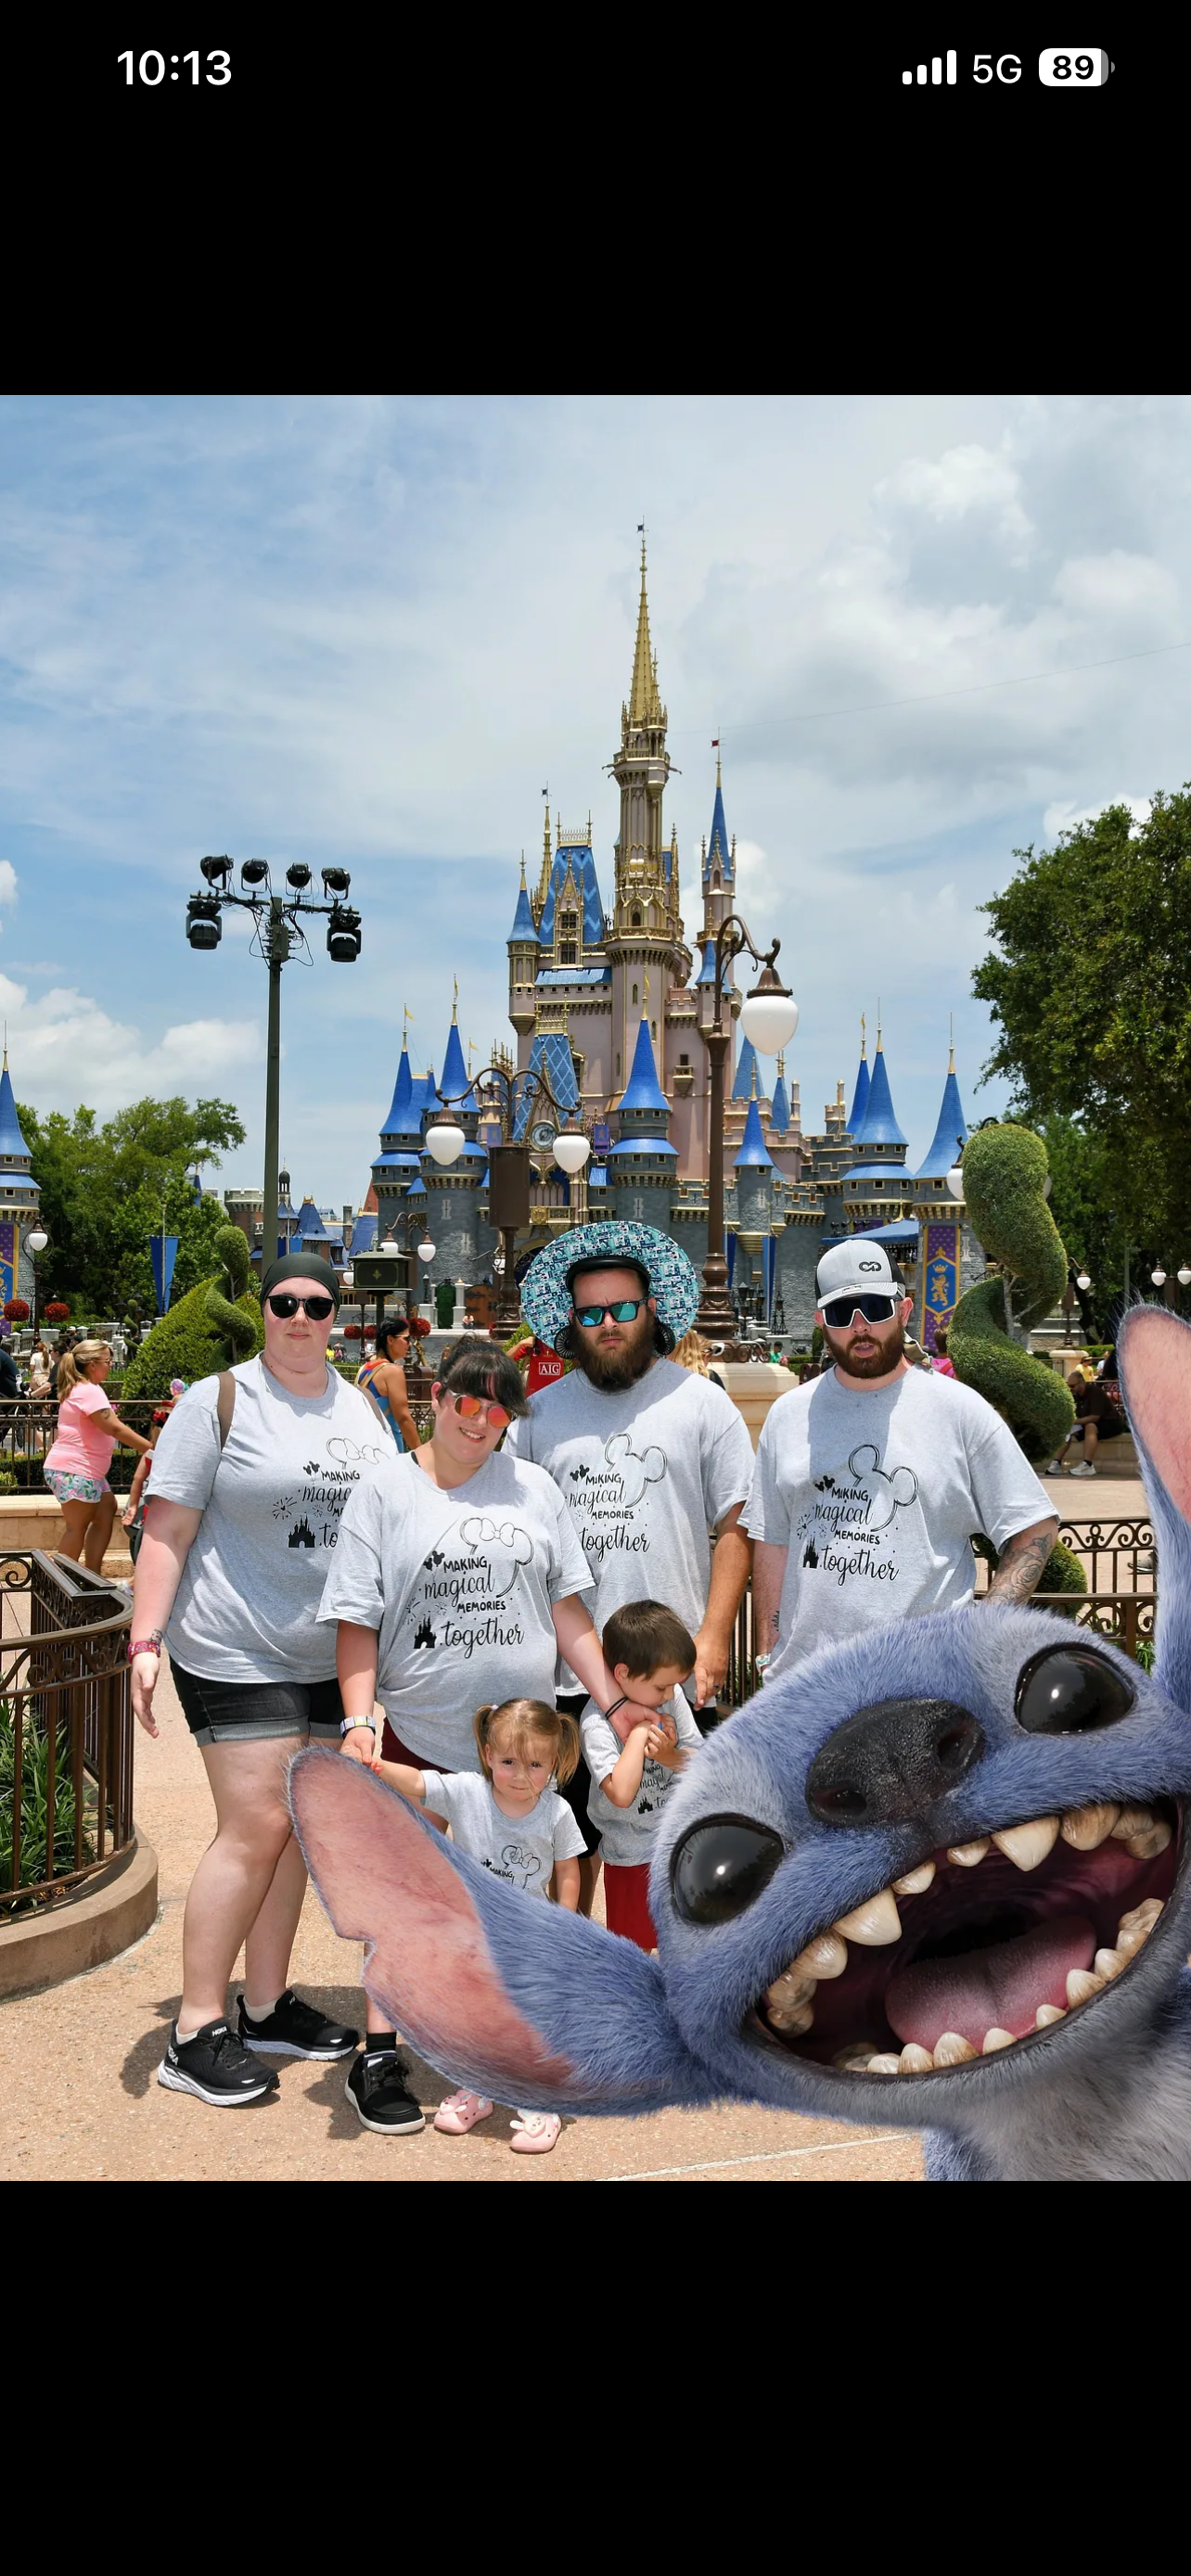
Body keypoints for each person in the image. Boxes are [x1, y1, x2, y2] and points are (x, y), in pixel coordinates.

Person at [323, 1333, 660, 2135]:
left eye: (498, 1409)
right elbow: (357, 1621)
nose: (480, 1422)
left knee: (523, 1898)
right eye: (466, 1403)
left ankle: (522, 2049)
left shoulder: (536, 1489)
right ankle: (380, 2050)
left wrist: (613, 1705)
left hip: (522, 1748)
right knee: (406, 1900)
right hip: (421, 1732)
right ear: (437, 1399)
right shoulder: (384, 1490)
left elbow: (567, 1611)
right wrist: (359, 1720)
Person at [131, 1252, 391, 2109]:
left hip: (329, 1653)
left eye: (317, 1304)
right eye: (285, 1302)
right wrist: (145, 1637)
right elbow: (166, 1530)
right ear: (264, 1307)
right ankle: (194, 2028)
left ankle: (266, 2005)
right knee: (255, 1826)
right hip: (234, 1644)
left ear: (336, 1315)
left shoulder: (359, 1405)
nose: (300, 1317)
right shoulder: (219, 1400)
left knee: (296, 1832)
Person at [508, 1221, 755, 1913]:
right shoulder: (537, 1416)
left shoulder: (703, 1406)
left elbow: (738, 1525)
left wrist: (710, 1638)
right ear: (571, 1322)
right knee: (562, 1851)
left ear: (652, 1310)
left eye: (623, 1308)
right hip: (562, 1674)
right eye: (590, 1313)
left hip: (667, 1672)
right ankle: (568, 1991)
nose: (608, 1325)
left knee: (672, 1844)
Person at [743, 1239, 1059, 1683]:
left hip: (925, 1683)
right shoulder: (788, 1416)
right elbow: (772, 1539)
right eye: (841, 1313)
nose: (860, 1326)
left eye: (874, 1307)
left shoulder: (959, 1411)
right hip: (807, 1685)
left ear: (904, 1309)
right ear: (821, 1323)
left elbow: (1034, 1527)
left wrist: (983, 1632)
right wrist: (766, 1652)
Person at [366, 1695, 585, 2152]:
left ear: (555, 1761)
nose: (522, 1777)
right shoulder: (467, 1791)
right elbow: (420, 1783)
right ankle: (479, 2089)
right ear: (487, 1754)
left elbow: (569, 1870)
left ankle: (542, 2103)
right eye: (508, 1762)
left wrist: (566, 1925)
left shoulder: (557, 1812)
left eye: (535, 1765)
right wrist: (378, 1765)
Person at [580, 1601, 703, 1952]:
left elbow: (703, 1762)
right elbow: (620, 1793)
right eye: (662, 1687)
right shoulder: (597, 1724)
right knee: (633, 1950)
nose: (669, 1695)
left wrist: (670, 1756)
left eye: (673, 1686)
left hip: (679, 1847)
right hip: (629, 1856)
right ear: (623, 1674)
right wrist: (637, 1736)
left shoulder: (672, 1696)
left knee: (684, 1941)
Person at [43, 1337, 153, 1570]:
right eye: (107, 1360)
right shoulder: (88, 1391)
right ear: (92, 1364)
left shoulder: (86, 1389)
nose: (110, 1364)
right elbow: (112, 1427)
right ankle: (61, 1589)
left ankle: (92, 1578)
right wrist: (153, 1450)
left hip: (84, 1470)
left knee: (105, 1510)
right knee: (77, 1527)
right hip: (75, 1469)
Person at [1047, 1349, 1128, 1477]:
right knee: (1068, 1429)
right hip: (1096, 1424)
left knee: (1090, 1425)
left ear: (1081, 1383)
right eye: (1069, 1386)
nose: (1071, 1389)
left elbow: (1095, 1417)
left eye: (1073, 1386)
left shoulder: (1095, 1392)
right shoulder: (1077, 1395)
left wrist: (1075, 1421)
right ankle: (1056, 1463)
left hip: (1111, 1424)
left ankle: (1087, 1465)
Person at [356, 1312, 420, 1451]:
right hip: (390, 1449)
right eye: (406, 1339)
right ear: (390, 1340)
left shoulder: (363, 1369)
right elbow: (403, 1418)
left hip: (367, 1448)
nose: (410, 1344)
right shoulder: (392, 1371)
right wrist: (422, 1454)